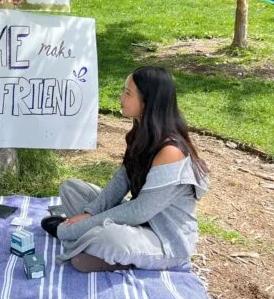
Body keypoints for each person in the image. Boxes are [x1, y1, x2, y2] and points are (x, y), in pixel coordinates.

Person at [41, 66, 209, 273]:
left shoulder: (171, 151)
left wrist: (73, 228)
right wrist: (90, 212)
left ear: (147, 102)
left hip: (164, 240)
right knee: (71, 188)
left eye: (128, 93)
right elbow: (121, 181)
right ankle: (97, 248)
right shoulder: (141, 132)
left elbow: (138, 212)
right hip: (140, 225)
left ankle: (87, 242)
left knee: (111, 237)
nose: (121, 96)